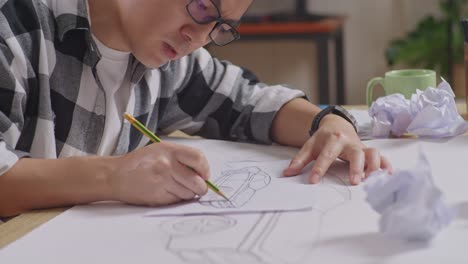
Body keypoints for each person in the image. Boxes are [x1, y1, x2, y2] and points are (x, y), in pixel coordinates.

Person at [0, 0, 391, 217]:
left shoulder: (168, 63)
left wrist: (330, 122)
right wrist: (112, 177)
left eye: (219, 28)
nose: (197, 38)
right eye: (202, 8)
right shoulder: (15, 27)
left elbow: (248, 101)